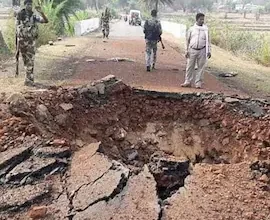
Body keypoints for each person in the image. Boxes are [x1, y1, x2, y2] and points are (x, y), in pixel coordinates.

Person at [16, 0, 48, 86]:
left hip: (30, 41)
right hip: (22, 41)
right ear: (25, 5)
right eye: (28, 4)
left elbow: (45, 21)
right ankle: (30, 78)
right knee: (26, 61)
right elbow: (17, 30)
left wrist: (42, 13)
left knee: (30, 60)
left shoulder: (34, 16)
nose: (30, 6)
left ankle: (28, 80)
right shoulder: (20, 15)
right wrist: (17, 45)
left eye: (31, 4)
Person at [181, 13, 211, 89]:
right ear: (197, 19)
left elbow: (208, 41)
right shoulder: (191, 29)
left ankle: (198, 83)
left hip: (202, 50)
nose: (202, 21)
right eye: (201, 19)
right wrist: (186, 50)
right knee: (189, 66)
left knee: (201, 67)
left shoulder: (206, 30)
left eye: (203, 19)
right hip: (192, 49)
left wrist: (209, 51)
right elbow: (187, 40)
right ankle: (188, 81)